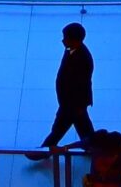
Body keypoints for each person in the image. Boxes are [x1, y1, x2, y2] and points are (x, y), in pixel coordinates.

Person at [40, 21, 94, 152]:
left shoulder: (82, 58)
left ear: (74, 40)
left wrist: (79, 105)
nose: (63, 41)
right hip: (70, 104)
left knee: (59, 130)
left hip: (73, 104)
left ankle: (43, 152)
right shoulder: (71, 50)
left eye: (65, 38)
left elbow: (82, 84)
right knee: (84, 132)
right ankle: (93, 150)